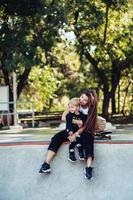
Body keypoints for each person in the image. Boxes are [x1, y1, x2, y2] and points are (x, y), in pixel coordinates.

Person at [39, 89, 97, 180]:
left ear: (89, 101)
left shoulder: (90, 109)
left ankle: (88, 168)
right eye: (82, 97)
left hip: (83, 130)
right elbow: (63, 117)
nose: (82, 100)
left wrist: (76, 134)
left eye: (85, 100)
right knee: (56, 137)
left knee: (88, 140)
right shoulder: (74, 102)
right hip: (71, 128)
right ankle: (46, 164)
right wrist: (76, 121)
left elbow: (85, 126)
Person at [65, 97, 87, 162]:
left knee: (79, 139)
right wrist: (70, 131)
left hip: (77, 131)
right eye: (69, 107)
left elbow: (84, 122)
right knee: (73, 140)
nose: (70, 109)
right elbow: (68, 124)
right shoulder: (69, 115)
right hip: (69, 131)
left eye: (72, 107)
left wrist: (82, 124)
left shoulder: (82, 115)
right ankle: (71, 155)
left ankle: (81, 153)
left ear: (78, 107)